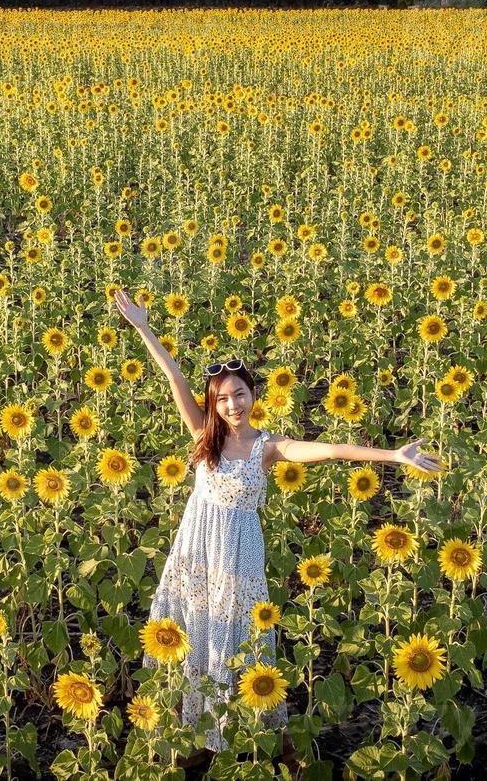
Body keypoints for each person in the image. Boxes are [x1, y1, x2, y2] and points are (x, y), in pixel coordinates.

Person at [113, 287, 444, 769]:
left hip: (240, 554)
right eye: (222, 398)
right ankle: (196, 739)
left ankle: (278, 746)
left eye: (240, 394)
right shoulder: (204, 436)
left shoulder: (268, 447)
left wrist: (393, 455)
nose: (232, 405)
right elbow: (174, 378)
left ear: (254, 395)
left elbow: (330, 450)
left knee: (243, 640)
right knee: (194, 632)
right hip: (195, 549)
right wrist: (144, 327)